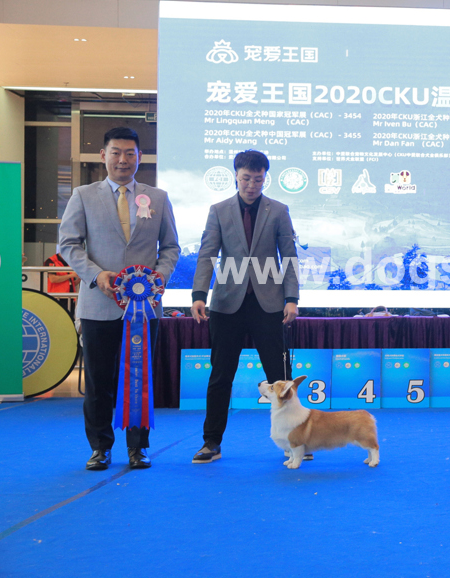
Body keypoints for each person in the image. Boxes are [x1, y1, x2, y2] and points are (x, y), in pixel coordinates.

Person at [59, 127, 180, 471]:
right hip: (98, 304)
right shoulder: (83, 195)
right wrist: (96, 275)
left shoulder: (158, 198)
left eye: (130, 153)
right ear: (103, 156)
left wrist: (159, 277)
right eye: (116, 152)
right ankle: (100, 447)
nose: (123, 160)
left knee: (140, 380)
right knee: (98, 381)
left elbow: (171, 247)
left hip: (145, 308)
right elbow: (68, 244)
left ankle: (138, 448)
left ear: (140, 157)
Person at [190, 150, 299, 463]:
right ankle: (211, 443)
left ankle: (295, 441)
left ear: (266, 178)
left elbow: (289, 256)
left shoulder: (279, 210)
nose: (252, 185)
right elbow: (207, 254)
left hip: (269, 305)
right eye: (246, 179)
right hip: (227, 305)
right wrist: (199, 293)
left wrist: (292, 299)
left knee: (280, 378)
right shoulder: (218, 210)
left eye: (258, 179)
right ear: (236, 177)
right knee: (220, 376)